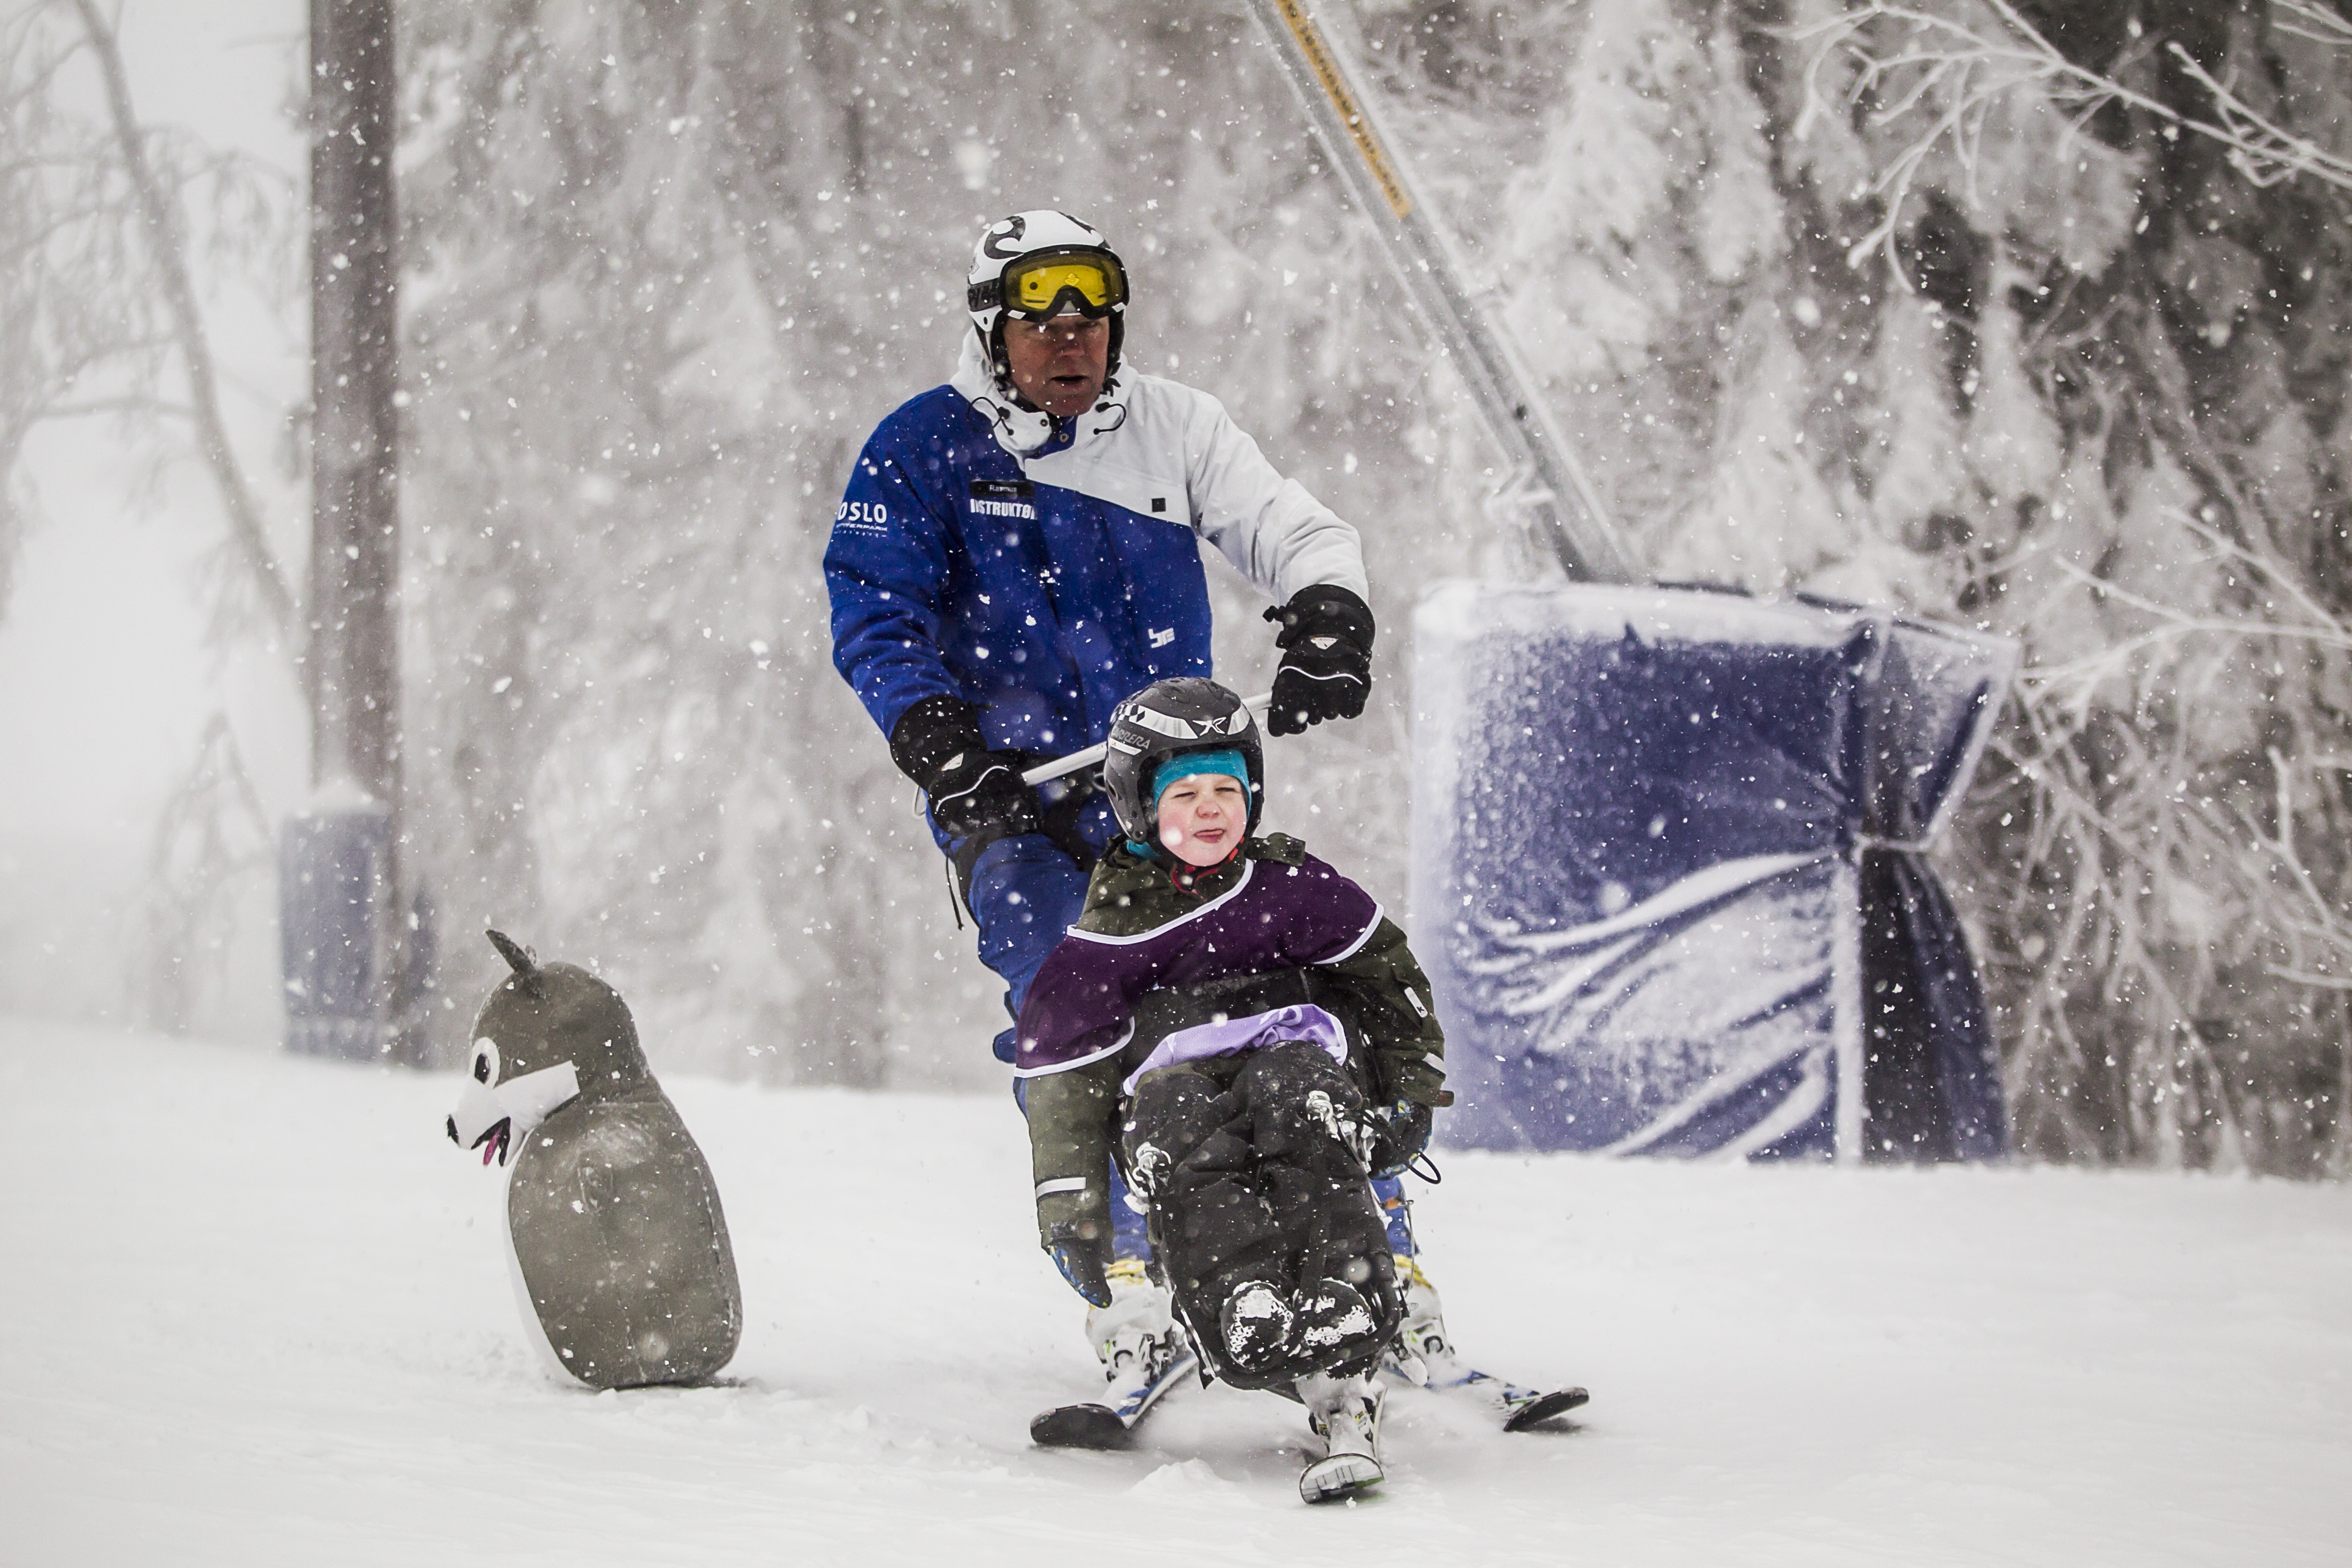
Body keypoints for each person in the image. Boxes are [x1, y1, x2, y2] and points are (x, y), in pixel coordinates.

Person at [824, 210, 1443, 1409]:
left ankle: (1386, 1268)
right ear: (992, 332)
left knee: (1288, 1003)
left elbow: (1295, 527)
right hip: (1015, 810)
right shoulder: (922, 448)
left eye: (1091, 320)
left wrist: (1327, 613)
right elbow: (873, 612)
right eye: (1042, 322)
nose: (1072, 343)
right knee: (1084, 1021)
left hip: (1167, 793)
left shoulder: (1175, 428)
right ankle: (1135, 1289)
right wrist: (942, 741)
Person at [1013, 678, 1447, 1498]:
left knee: (1297, 1102)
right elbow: (1063, 1083)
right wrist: (1070, 1210)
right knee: (1186, 1126)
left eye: (1228, 790)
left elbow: (1390, 981)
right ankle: (1242, 1300)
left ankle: (1344, 1320)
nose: (1211, 811)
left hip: (1300, 1071)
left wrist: (1410, 1093)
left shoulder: (1291, 889)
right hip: (1174, 1101)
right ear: (1139, 808)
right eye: (1186, 793)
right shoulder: (1109, 936)